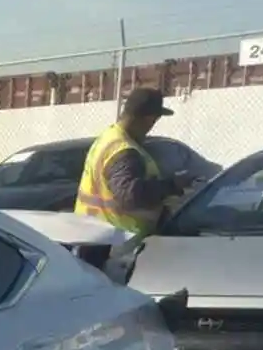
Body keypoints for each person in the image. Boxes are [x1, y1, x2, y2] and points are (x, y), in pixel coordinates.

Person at [74, 86, 187, 239]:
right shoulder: (124, 150)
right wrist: (171, 186)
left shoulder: (108, 138)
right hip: (117, 242)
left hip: (92, 234)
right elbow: (129, 196)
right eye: (154, 120)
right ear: (149, 119)